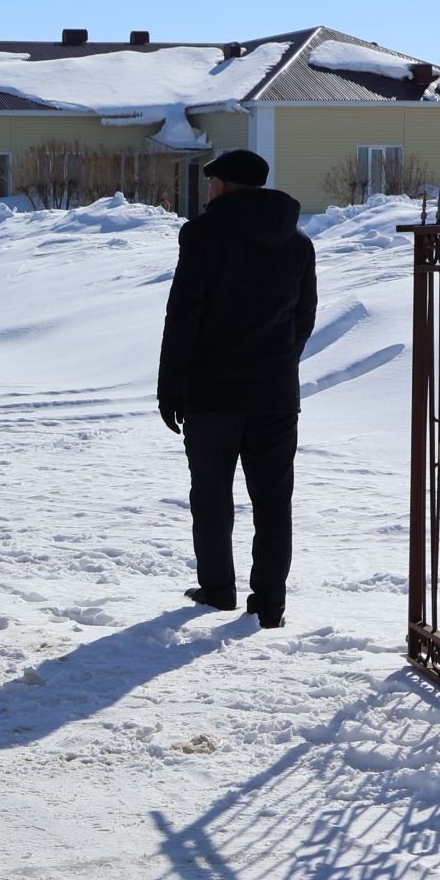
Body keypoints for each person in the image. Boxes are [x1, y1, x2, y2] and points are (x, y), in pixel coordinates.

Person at [156, 148, 318, 630]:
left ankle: (218, 588)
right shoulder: (297, 241)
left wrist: (171, 386)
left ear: (223, 185)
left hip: (212, 394)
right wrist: (280, 363)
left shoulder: (203, 235)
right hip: (274, 395)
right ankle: (270, 603)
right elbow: (303, 317)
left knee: (211, 495)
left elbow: (183, 314)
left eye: (212, 183)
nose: (208, 191)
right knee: (273, 500)